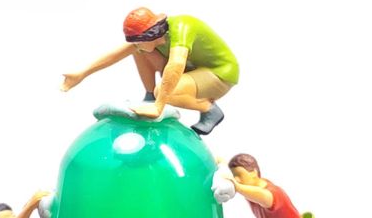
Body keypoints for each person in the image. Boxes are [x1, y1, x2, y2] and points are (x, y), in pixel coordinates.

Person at [61, 7, 239, 135]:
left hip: (219, 73)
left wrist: (160, 104)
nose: (136, 44)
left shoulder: (182, 27)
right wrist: (82, 74)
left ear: (150, 34)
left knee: (163, 91)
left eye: (139, 41)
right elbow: (115, 54)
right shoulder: (151, 40)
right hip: (192, 68)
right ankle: (150, 96)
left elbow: (176, 65)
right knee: (138, 52)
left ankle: (209, 109)